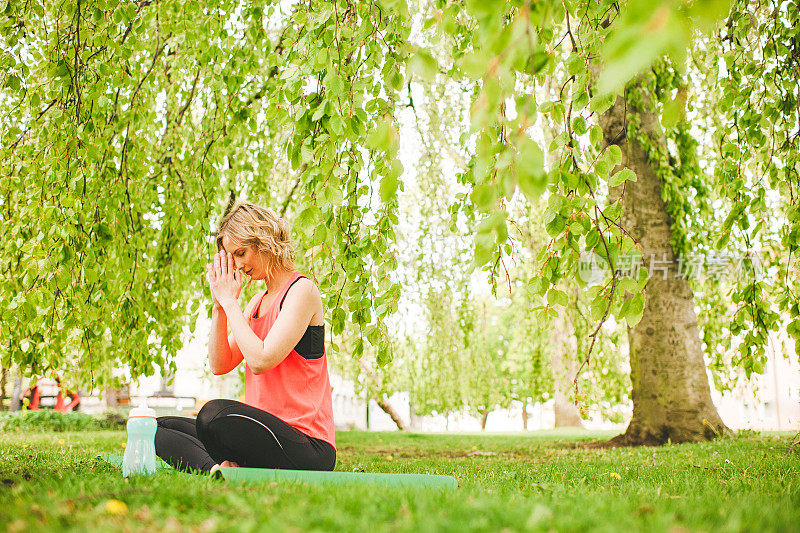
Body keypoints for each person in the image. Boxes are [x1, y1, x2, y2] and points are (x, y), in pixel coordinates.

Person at [154, 203, 336, 473]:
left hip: (308, 446)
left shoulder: (302, 291)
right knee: (157, 428)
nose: (238, 265)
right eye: (231, 257)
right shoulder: (256, 303)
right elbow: (220, 365)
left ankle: (225, 466)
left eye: (241, 253)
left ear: (264, 240)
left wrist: (230, 302)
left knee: (212, 416)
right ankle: (218, 471)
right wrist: (219, 306)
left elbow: (261, 359)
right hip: (262, 433)